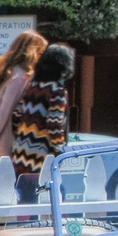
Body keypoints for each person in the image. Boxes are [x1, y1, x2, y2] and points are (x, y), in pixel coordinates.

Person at [0, 29, 47, 206]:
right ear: (32, 51)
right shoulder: (19, 76)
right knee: (29, 188)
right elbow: (4, 112)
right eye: (40, 51)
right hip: (9, 145)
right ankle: (27, 223)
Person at [9, 43, 74, 203]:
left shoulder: (31, 87)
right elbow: (54, 124)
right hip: (43, 156)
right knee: (58, 196)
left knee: (26, 200)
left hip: (21, 153)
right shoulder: (57, 91)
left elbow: (16, 116)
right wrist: (60, 150)